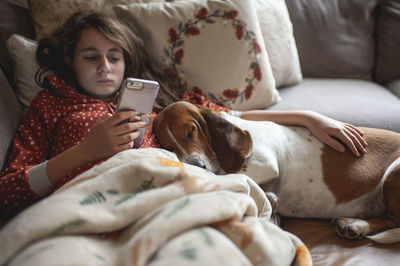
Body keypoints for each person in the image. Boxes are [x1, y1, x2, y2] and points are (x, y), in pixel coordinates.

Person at [0, 11, 367, 218]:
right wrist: (85, 151)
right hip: (92, 202)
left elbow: (232, 118)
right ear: (68, 60)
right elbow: (8, 191)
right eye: (90, 56)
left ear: (127, 62)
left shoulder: (161, 106)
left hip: (170, 198)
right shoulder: (51, 105)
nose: (104, 67)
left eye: (115, 56)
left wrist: (310, 118)